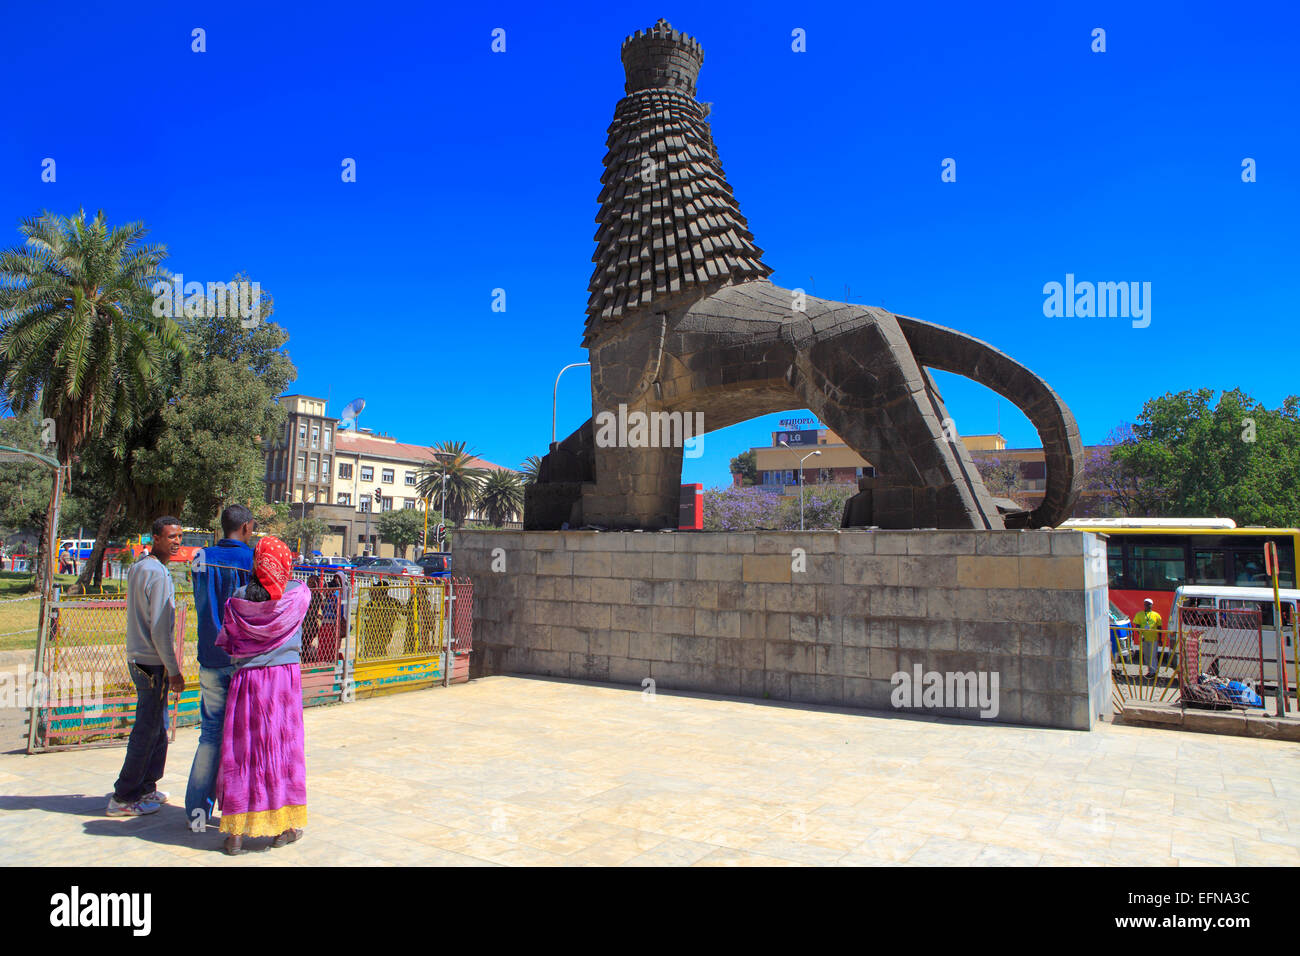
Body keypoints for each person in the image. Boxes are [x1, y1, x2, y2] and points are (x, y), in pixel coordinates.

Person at [215, 535, 309, 855]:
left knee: (242, 754)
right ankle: (284, 828)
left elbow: (227, 641)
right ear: (285, 563)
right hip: (283, 685)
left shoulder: (237, 601)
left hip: (246, 683)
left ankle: (235, 835)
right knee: (282, 751)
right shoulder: (299, 596)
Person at [184, 505, 257, 831]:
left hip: (210, 657)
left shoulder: (201, 557)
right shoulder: (251, 560)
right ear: (246, 527)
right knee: (245, 738)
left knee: (210, 737)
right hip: (242, 660)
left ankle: (197, 814)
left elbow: (202, 601)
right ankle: (237, 813)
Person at [107, 517, 186, 816]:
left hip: (140, 658)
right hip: (151, 662)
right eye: (170, 537)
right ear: (155, 538)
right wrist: (174, 669)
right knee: (147, 729)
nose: (176, 541)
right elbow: (160, 629)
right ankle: (124, 796)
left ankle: (146, 786)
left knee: (157, 727)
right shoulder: (157, 573)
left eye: (179, 536)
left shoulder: (141, 567)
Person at [1134, 598, 1164, 679]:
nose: (1147, 606)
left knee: (1153, 656)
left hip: (1153, 639)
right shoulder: (1139, 614)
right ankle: (1150, 671)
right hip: (1144, 639)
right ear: (1144, 605)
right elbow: (1137, 625)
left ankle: (1154, 672)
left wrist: (1160, 638)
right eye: (1146, 604)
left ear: (1152, 605)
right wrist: (1141, 634)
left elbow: (1159, 627)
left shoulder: (1156, 615)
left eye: (1149, 604)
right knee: (1146, 656)